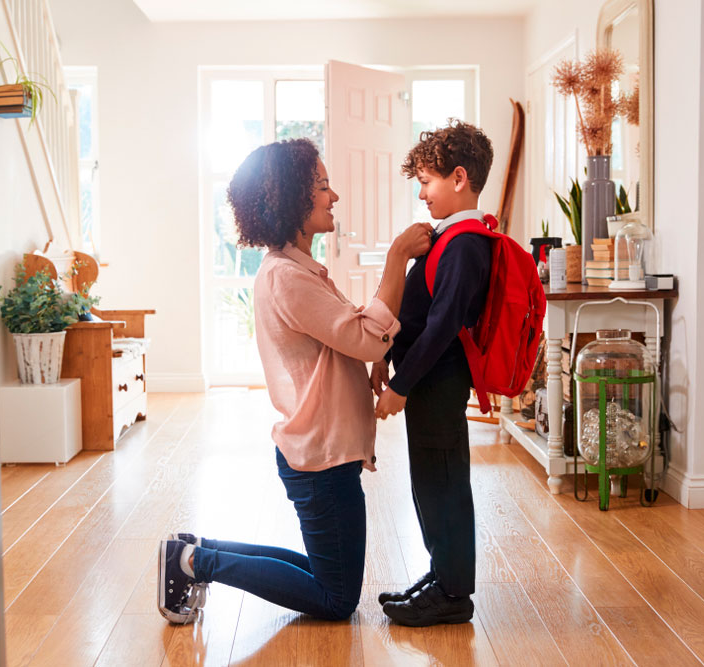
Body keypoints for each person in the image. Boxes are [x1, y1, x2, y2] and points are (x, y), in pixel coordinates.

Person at [157, 138, 433, 624]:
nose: (334, 197)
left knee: (327, 574)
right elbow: (367, 337)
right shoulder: (288, 277)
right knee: (336, 597)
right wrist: (396, 259)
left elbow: (347, 338)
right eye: (323, 186)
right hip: (321, 460)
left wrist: (369, 355)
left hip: (321, 453)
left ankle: (195, 550)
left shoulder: (297, 270)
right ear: (291, 200)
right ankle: (196, 563)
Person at [370, 120, 495, 626]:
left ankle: (453, 594)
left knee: (443, 484)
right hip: (428, 382)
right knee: (429, 482)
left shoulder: (466, 242)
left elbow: (443, 326)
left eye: (427, 181)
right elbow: (419, 312)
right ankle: (443, 575)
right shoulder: (448, 237)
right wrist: (385, 353)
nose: (421, 193)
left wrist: (401, 386)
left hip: (437, 382)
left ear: (459, 177)